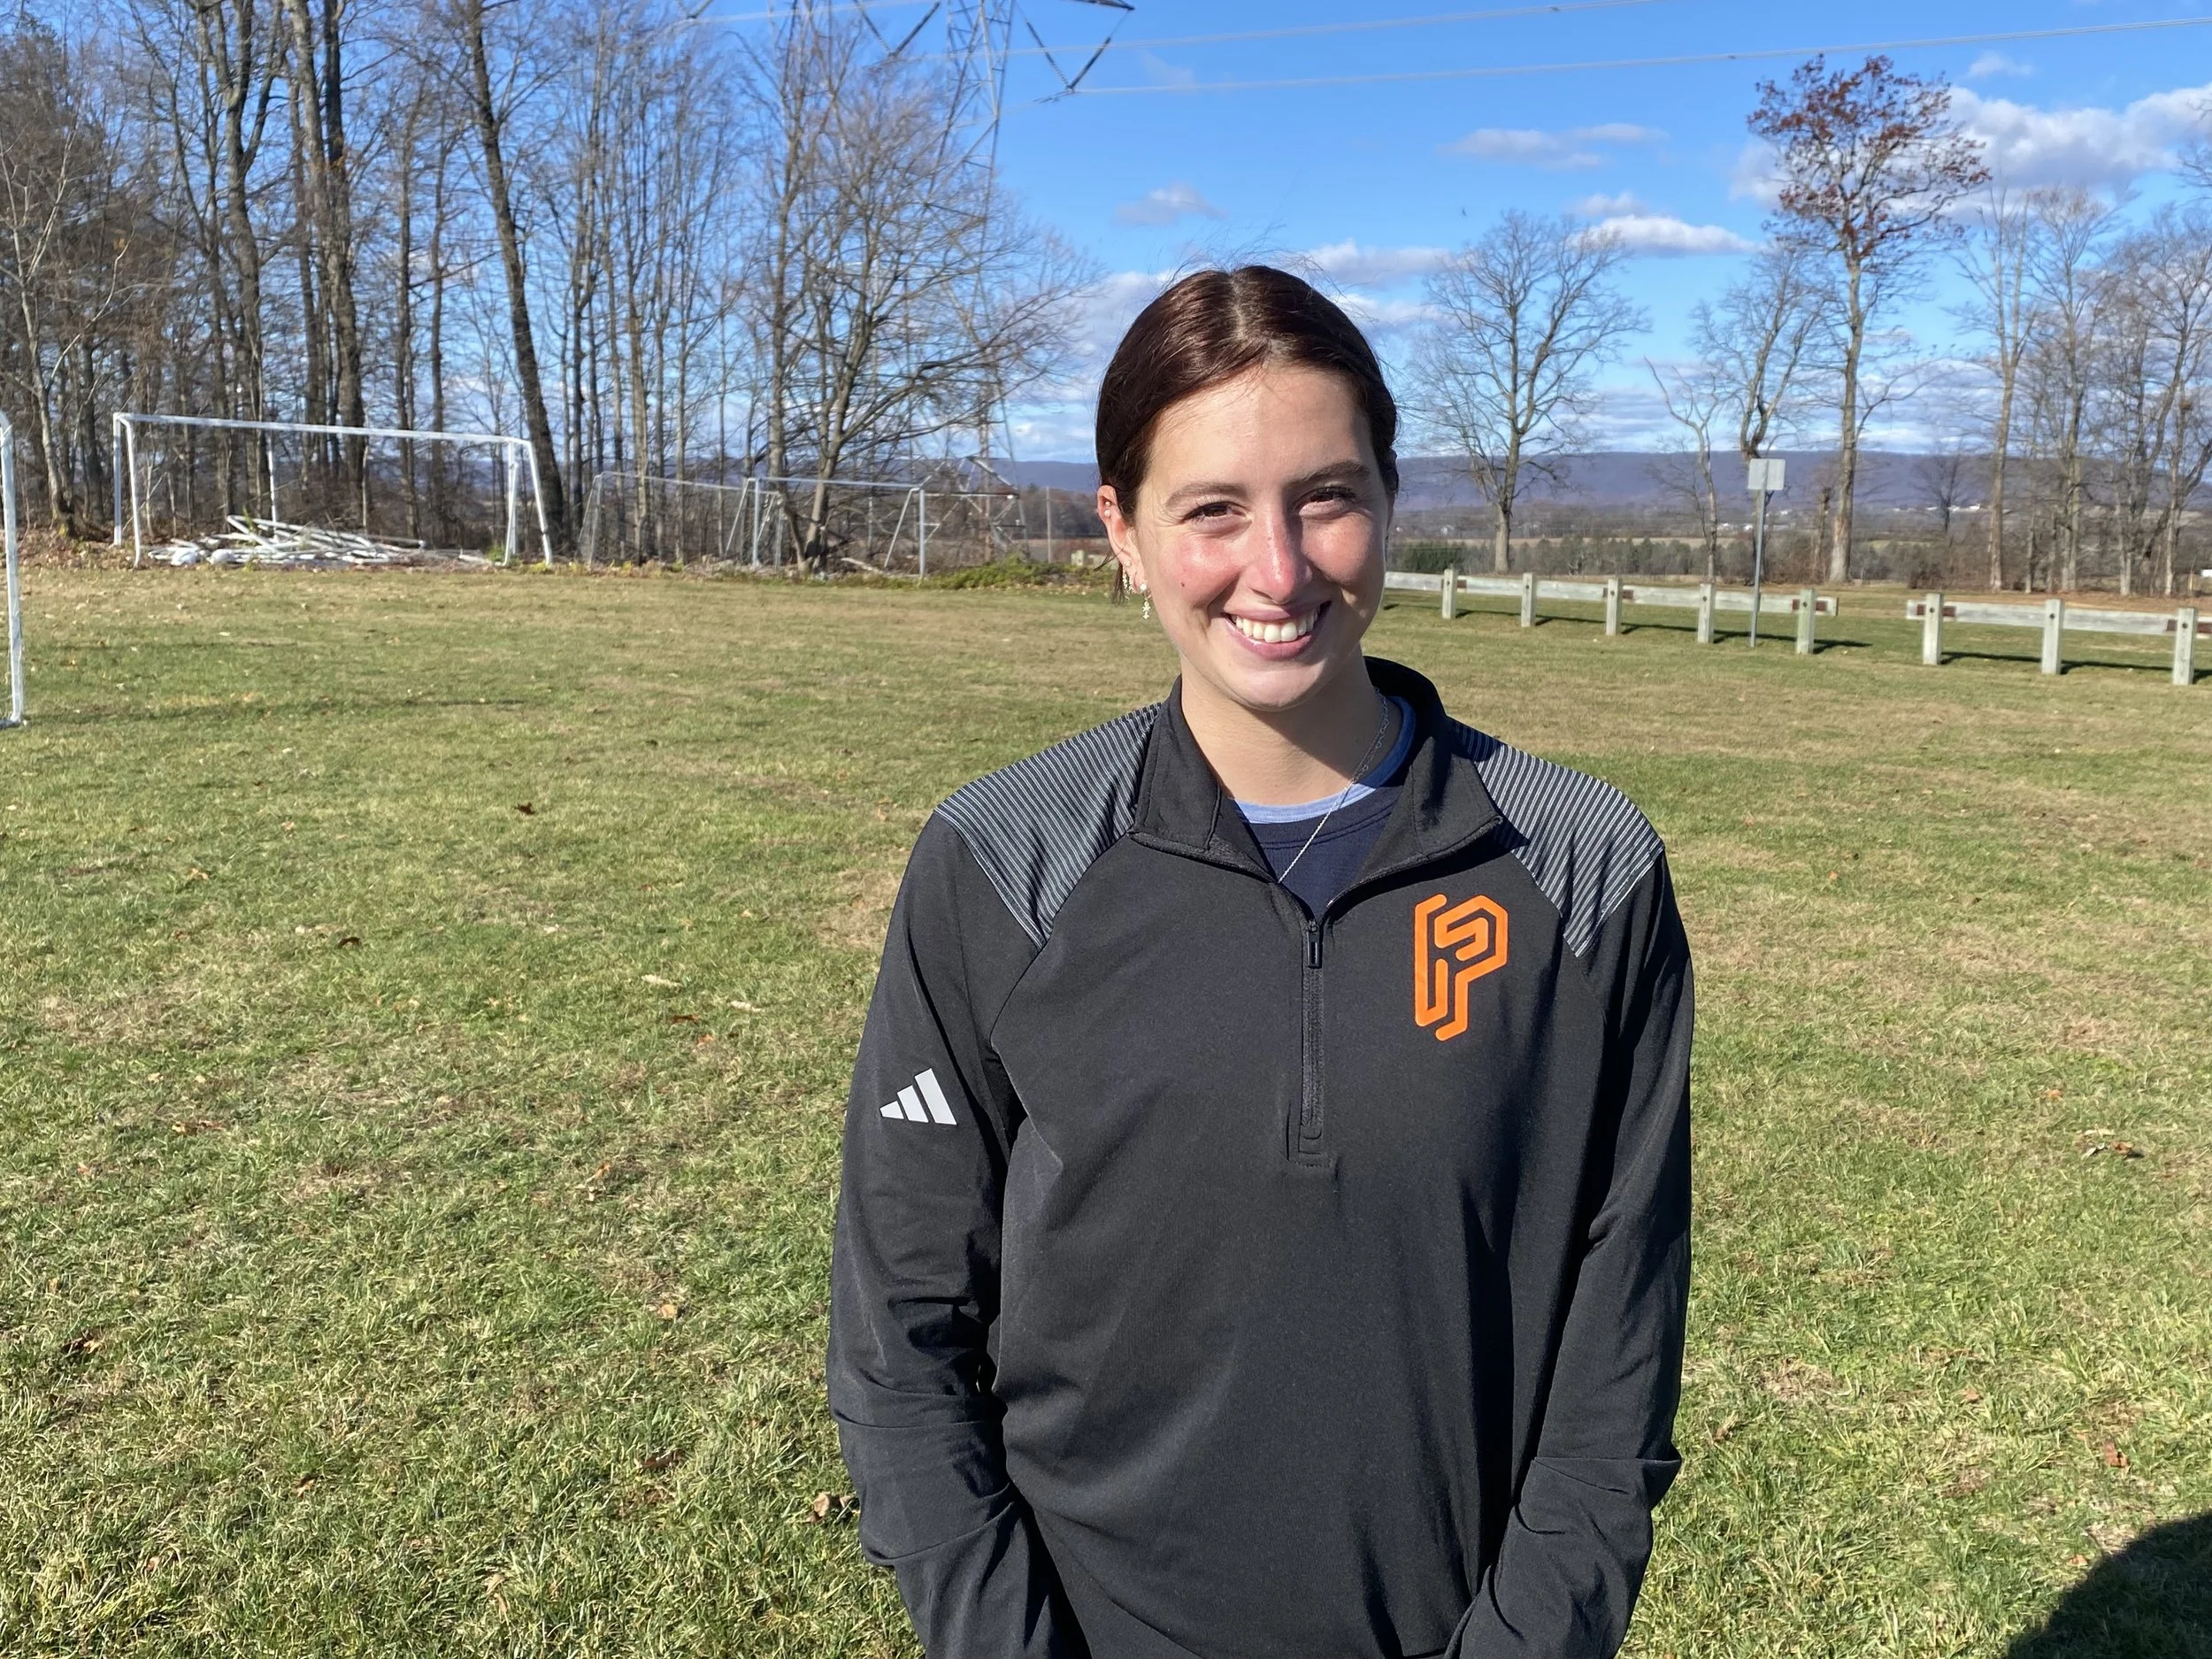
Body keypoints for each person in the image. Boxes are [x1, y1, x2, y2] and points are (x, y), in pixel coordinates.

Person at [828, 265, 1693, 1658]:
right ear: (1121, 529)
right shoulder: (999, 863)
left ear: (1392, 501)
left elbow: (1619, 1353)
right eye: (1212, 509)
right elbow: (900, 1343)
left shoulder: (1586, 871)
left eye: (1327, 496)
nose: (1278, 570)